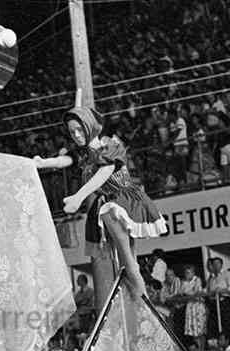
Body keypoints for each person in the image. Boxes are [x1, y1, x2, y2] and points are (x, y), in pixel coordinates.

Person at [34, 108, 167, 298]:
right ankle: (132, 283)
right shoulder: (83, 153)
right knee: (122, 250)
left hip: (123, 197)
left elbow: (105, 172)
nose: (77, 135)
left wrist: (78, 197)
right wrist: (43, 163)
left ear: (89, 126)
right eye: (72, 132)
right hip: (107, 200)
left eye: (80, 129)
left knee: (124, 247)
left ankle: (137, 284)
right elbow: (65, 160)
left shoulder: (109, 145)